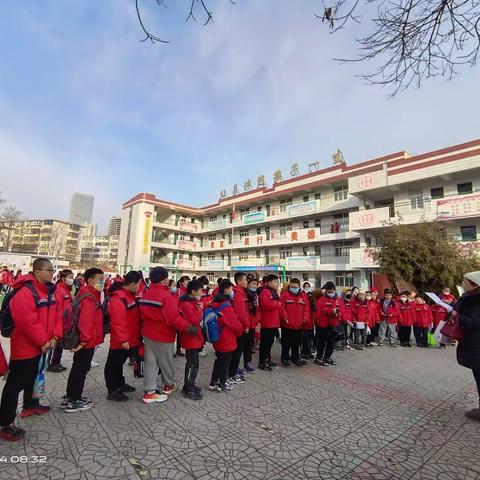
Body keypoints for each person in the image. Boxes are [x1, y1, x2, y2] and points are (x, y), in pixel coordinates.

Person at [0, 258, 58, 441]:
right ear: (37, 272)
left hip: (43, 346)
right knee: (14, 386)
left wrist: (55, 336)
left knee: (34, 378)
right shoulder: (25, 293)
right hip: (26, 348)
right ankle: (4, 423)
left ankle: (30, 405)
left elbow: (56, 315)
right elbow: (27, 322)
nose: (52, 273)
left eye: (52, 270)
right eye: (48, 270)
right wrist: (42, 340)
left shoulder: (48, 291)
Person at [138, 267, 197, 404]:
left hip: (147, 334)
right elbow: (173, 319)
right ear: (164, 280)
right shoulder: (167, 297)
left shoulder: (145, 294)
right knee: (166, 363)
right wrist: (188, 327)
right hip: (163, 336)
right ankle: (168, 385)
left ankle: (150, 392)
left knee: (150, 363)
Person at [64, 268, 105, 413]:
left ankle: (70, 396)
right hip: (86, 342)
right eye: (100, 279)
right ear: (90, 280)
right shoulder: (89, 297)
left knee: (78, 368)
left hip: (86, 341)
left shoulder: (88, 293)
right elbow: (85, 322)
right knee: (81, 370)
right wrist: (84, 341)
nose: (102, 282)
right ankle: (74, 399)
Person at [104, 271, 142, 402]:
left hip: (130, 337)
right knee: (113, 364)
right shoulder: (118, 298)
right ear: (131, 284)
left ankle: (120, 383)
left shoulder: (129, 295)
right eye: (138, 284)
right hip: (121, 340)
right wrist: (123, 339)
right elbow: (118, 321)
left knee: (119, 363)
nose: (139, 287)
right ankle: (112, 390)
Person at [208, 279, 243, 392]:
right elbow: (235, 325)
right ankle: (222, 383)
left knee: (219, 359)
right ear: (227, 290)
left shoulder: (214, 303)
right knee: (225, 362)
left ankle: (213, 382)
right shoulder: (226, 306)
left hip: (216, 336)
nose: (232, 291)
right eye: (231, 289)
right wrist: (239, 332)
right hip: (226, 338)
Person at [455, 271, 480, 421]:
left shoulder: (476, 301)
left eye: (465, 281)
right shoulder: (469, 298)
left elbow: (475, 322)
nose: (463, 283)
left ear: (474, 285)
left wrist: (459, 318)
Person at [178, 280, 205, 400]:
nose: (202, 293)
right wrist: (199, 310)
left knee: (194, 364)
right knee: (192, 364)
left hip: (194, 337)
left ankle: (190, 385)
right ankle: (188, 387)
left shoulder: (192, 301)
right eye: (200, 291)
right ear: (193, 292)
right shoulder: (186, 304)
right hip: (190, 338)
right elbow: (194, 320)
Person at [48, 269, 74, 372]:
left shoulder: (66, 290)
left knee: (60, 345)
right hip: (60, 322)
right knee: (57, 345)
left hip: (65, 322)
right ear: (63, 279)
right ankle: (52, 364)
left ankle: (56, 362)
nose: (72, 279)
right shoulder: (59, 291)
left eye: (72, 277)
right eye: (70, 277)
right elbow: (57, 309)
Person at [314, 281, 343, 366]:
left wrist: (338, 315)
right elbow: (322, 309)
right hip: (322, 324)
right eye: (328, 292)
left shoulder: (338, 299)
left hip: (334, 324)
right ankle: (319, 358)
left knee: (331, 342)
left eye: (332, 291)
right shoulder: (321, 299)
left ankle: (327, 357)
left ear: (335, 290)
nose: (330, 293)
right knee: (321, 342)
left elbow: (341, 310)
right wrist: (331, 311)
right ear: (326, 291)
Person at [280, 278, 308, 366]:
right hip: (287, 324)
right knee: (286, 343)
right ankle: (285, 358)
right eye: (292, 287)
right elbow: (282, 308)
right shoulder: (284, 295)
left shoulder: (303, 296)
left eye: (295, 287)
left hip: (299, 325)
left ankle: (295, 358)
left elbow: (306, 309)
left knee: (296, 343)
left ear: (299, 286)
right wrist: (285, 318)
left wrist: (305, 319)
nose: (294, 288)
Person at [228, 272, 250, 384]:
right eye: (245, 280)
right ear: (239, 281)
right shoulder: (238, 294)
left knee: (237, 351)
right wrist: (246, 326)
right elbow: (241, 313)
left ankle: (232, 370)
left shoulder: (242, 293)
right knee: (237, 351)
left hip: (240, 326)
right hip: (239, 327)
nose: (247, 282)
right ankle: (231, 373)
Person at [258, 274, 283, 371]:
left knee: (270, 342)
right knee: (265, 343)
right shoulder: (265, 292)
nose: (277, 284)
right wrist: (278, 303)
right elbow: (265, 305)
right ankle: (262, 362)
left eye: (278, 282)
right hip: (267, 322)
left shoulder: (274, 292)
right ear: (269, 283)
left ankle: (268, 359)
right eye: (275, 282)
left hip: (273, 322)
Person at [244, 276, 259, 373]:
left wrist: (258, 321)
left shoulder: (255, 295)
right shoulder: (245, 295)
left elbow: (258, 309)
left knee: (249, 344)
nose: (255, 286)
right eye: (253, 284)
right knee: (243, 345)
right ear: (248, 284)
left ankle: (247, 362)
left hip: (253, 323)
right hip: (246, 324)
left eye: (256, 284)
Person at [301, 282, 316, 359]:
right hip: (305, 321)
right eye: (305, 286)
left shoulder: (311, 295)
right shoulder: (302, 295)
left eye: (308, 286)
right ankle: (304, 352)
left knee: (310, 337)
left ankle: (308, 351)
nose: (307, 288)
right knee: (305, 338)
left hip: (311, 320)